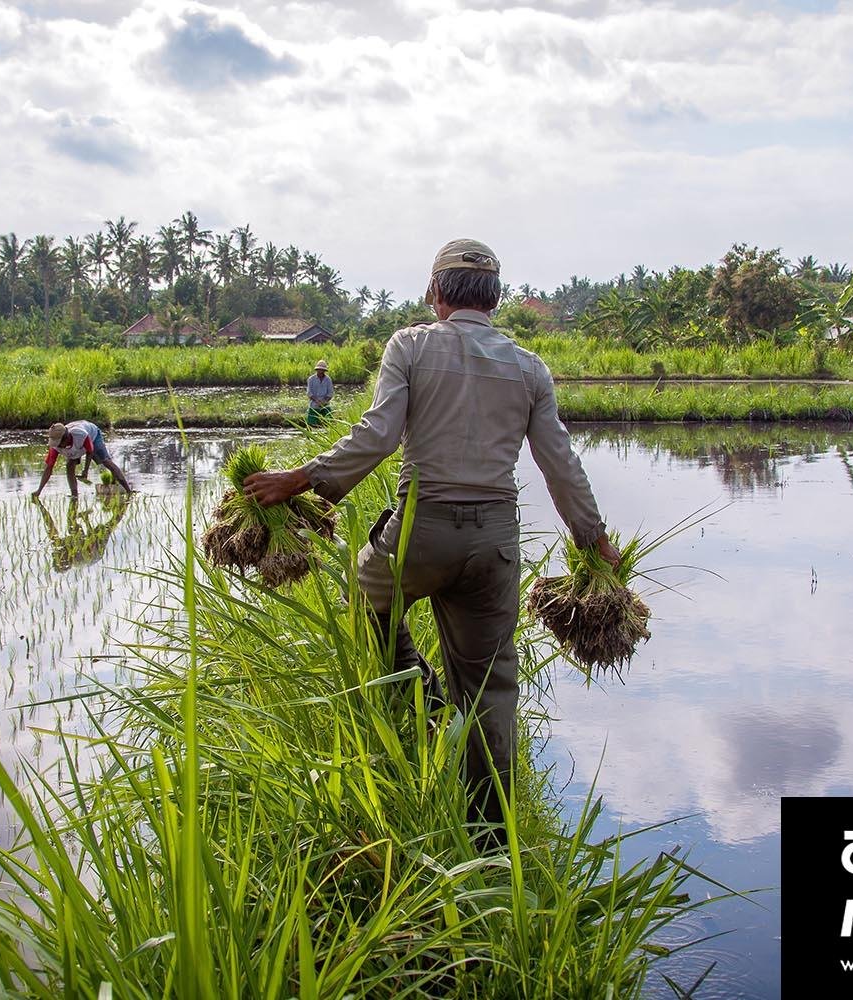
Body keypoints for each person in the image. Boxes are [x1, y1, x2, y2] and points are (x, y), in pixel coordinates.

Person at [242, 238, 622, 849]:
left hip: (420, 530)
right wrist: (593, 538)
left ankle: (418, 690)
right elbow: (560, 464)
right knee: (492, 688)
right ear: (494, 298)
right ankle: (493, 843)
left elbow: (380, 433)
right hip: (495, 541)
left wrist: (304, 481)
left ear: (436, 294)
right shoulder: (528, 368)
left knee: (369, 592)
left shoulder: (410, 345)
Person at [32, 420, 134, 498]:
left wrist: (85, 471)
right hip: (76, 445)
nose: (58, 446)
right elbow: (49, 468)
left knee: (106, 461)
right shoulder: (55, 447)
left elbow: (90, 451)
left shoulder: (80, 434)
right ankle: (74, 495)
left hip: (93, 436)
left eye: (59, 443)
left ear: (66, 438)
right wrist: (39, 491)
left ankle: (128, 490)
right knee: (69, 466)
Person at [306, 359, 334, 426]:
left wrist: (324, 401)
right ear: (317, 370)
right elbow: (309, 393)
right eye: (319, 369)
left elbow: (330, 393)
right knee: (310, 424)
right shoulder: (311, 379)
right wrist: (317, 401)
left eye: (322, 370)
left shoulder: (328, 380)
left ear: (325, 371)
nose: (321, 371)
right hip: (314, 404)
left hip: (325, 404)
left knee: (330, 422)